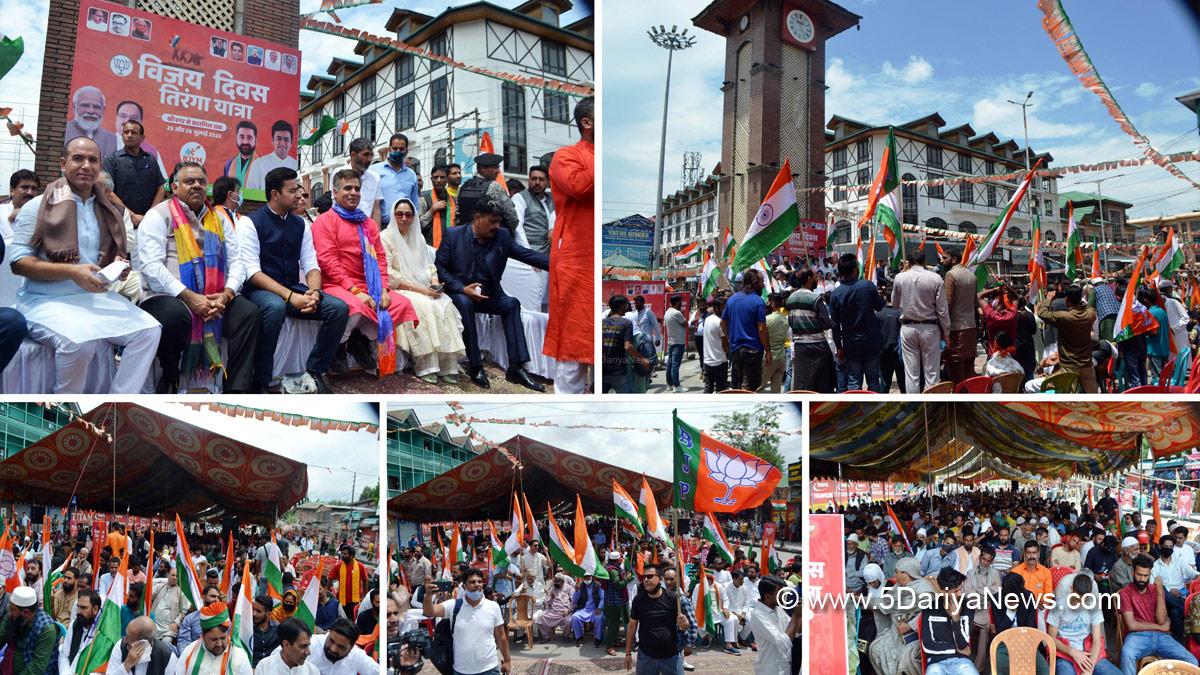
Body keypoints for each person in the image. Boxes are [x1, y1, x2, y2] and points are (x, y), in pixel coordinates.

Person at [10, 136, 161, 393]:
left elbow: (108, 257)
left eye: (93, 160)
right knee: (82, 341)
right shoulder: (38, 206)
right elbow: (18, 262)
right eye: (78, 158)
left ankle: (117, 401)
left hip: (95, 298)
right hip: (45, 300)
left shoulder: (108, 209)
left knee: (149, 331)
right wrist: (71, 271)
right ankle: (67, 403)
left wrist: (116, 268)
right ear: (63, 163)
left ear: (100, 167)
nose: (86, 166)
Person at [137, 162, 260, 393]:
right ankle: (170, 377)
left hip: (215, 296)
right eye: (189, 181)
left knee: (248, 314)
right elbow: (150, 266)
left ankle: (236, 387)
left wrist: (227, 294)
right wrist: (189, 296)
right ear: (174, 187)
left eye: (201, 182)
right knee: (174, 316)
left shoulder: (219, 219)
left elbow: (237, 262)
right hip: (168, 294)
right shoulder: (158, 215)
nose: (196, 186)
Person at [242, 166, 349, 394]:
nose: (299, 195)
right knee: (274, 307)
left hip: (294, 288)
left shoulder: (301, 224)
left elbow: (311, 264)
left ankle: (315, 371)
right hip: (260, 290)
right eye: (292, 190)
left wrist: (314, 292)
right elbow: (252, 271)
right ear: (274, 194)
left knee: (338, 309)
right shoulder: (250, 223)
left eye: (298, 189)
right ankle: (260, 381)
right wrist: (291, 296)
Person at [311, 169, 418, 379]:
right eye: (347, 188)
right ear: (334, 192)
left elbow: (380, 258)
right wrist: (354, 290)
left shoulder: (367, 223)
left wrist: (384, 289)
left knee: (400, 304)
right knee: (357, 306)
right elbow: (327, 261)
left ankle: (359, 339)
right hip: (336, 284)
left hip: (370, 284)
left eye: (357, 189)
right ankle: (340, 347)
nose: (353, 193)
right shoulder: (325, 221)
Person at [435, 197, 549, 391]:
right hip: (462, 292)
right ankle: (475, 365)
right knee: (465, 303)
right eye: (492, 221)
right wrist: (463, 289)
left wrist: (563, 264)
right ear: (478, 218)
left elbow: (528, 255)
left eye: (499, 222)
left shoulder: (502, 236)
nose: (497, 226)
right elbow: (441, 269)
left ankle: (517, 367)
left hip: (490, 295)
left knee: (511, 303)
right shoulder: (454, 235)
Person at [379, 197, 466, 384]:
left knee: (445, 305)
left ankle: (447, 364)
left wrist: (434, 283)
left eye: (408, 215)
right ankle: (426, 365)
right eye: (399, 214)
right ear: (393, 216)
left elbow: (429, 266)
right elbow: (388, 274)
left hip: (424, 287)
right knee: (425, 306)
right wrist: (423, 291)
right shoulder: (385, 237)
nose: (403, 218)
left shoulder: (417, 237)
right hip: (400, 289)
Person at [541, 100, 595, 393]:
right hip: (576, 257)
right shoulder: (566, 156)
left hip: (597, 256)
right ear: (586, 123)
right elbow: (579, 186)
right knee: (574, 340)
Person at [1119, 554, 1199, 674]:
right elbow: (1132, 625)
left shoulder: (1155, 590)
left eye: (1145, 576)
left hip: (1161, 637)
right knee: (1127, 655)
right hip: (1136, 636)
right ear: (1132, 573)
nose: (1142, 579)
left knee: (1191, 661)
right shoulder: (1125, 593)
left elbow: (1162, 620)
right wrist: (1160, 627)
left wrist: (1161, 591)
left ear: (1150, 574)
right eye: (1139, 574)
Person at [423, 569, 510, 675]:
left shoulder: (493, 606)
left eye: (479, 581)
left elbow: (501, 637)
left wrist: (507, 660)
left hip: (489, 668)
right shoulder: (453, 605)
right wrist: (428, 596)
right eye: (472, 582)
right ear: (464, 586)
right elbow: (429, 612)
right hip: (461, 670)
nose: (477, 585)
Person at [892, 248, 949, 393]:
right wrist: (947, 333)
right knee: (932, 374)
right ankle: (932, 409)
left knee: (911, 375)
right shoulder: (935, 278)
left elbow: (895, 304)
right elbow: (942, 310)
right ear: (924, 261)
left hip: (908, 328)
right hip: (930, 329)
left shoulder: (899, 278)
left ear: (909, 262)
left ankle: (915, 409)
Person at [829, 253, 884, 392]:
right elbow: (879, 306)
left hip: (851, 344)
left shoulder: (836, 294)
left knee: (853, 383)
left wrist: (839, 347)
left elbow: (834, 323)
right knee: (873, 381)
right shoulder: (868, 286)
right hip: (871, 341)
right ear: (855, 270)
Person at [625, 564, 690, 675]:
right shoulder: (638, 600)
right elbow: (632, 625)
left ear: (659, 579)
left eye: (650, 576)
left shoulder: (673, 598)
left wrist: (684, 624)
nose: (646, 580)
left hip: (671, 655)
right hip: (646, 656)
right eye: (644, 577)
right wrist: (628, 653)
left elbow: (685, 626)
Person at [1036, 286, 1099, 392]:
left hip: (1069, 365)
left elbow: (1042, 313)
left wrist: (1048, 299)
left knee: (1069, 398)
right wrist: (1081, 300)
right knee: (1093, 395)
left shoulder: (1064, 317)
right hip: (1086, 363)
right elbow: (1089, 307)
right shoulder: (1090, 314)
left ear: (1066, 300)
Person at [103, 119, 165, 225]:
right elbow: (108, 192)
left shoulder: (150, 159)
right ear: (122, 136)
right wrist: (130, 215)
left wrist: (150, 215)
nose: (129, 135)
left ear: (142, 137)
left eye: (134, 132)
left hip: (148, 222)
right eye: (126, 132)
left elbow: (161, 188)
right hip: (120, 221)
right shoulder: (112, 160)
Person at [918, 567, 976, 675]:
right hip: (936, 663)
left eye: (961, 589)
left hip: (962, 661)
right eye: (955, 591)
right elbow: (928, 645)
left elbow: (963, 644)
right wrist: (955, 649)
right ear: (943, 592)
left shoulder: (967, 606)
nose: (960, 594)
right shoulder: (929, 608)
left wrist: (956, 619)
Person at [786, 268, 834, 392]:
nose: (817, 280)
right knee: (822, 384)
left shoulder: (790, 299)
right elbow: (826, 324)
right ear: (808, 279)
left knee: (803, 383)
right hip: (817, 346)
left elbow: (791, 322)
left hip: (799, 347)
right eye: (815, 277)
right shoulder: (815, 298)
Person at [721, 270, 770, 391]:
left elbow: (722, 322)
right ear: (754, 283)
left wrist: (729, 338)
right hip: (753, 351)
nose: (763, 285)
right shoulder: (759, 302)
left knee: (738, 386)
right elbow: (762, 329)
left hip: (736, 351)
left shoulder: (732, 299)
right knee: (750, 388)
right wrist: (768, 350)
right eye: (761, 282)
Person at [179, 602, 252, 675]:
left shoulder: (240, 656)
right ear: (203, 636)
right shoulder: (189, 652)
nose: (219, 644)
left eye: (223, 638)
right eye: (214, 639)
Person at [0, 586, 58, 675]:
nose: (10, 612)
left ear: (26, 612)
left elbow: (37, 667)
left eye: (13, 609)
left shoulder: (46, 629)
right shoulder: (12, 616)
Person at [454, 153, 517, 233]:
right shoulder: (494, 187)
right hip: (491, 239)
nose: (498, 171)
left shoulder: (463, 187)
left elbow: (457, 217)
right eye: (495, 167)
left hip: (467, 238)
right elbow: (513, 219)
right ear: (483, 168)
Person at [370, 133, 420, 229]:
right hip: (382, 227)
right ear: (389, 149)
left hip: (404, 227)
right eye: (395, 148)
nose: (398, 151)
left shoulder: (411, 174)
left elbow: (414, 206)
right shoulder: (374, 170)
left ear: (406, 151)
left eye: (401, 149)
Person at [942, 251, 978, 383]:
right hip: (971, 327)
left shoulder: (951, 275)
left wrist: (943, 327)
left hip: (956, 329)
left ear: (954, 259)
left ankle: (959, 401)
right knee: (969, 368)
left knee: (956, 370)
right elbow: (975, 301)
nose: (942, 260)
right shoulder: (972, 275)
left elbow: (947, 303)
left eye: (945, 258)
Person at [108, 615, 181, 675]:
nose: (125, 640)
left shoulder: (167, 657)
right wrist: (126, 665)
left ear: (144, 643)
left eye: (130, 638)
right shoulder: (120, 646)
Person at [65, 86, 118, 159]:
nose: (91, 111)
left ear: (103, 110)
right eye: (85, 105)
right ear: (74, 107)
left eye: (96, 107)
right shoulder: (63, 130)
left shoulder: (111, 139)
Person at [244, 121, 298, 193]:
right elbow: (251, 192)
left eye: (286, 139)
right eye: (279, 139)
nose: (282, 143)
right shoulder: (258, 164)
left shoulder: (296, 165)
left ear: (291, 143)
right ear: (272, 140)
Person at [255, 617, 319, 675]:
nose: (308, 652)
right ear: (286, 645)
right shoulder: (264, 667)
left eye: (308, 645)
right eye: (303, 646)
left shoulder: (312, 671)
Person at [60, 590, 102, 673]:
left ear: (95, 609)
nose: (78, 611)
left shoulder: (101, 633)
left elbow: (99, 668)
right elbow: (64, 655)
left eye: (83, 608)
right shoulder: (75, 624)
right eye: (78, 607)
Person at [329, 545, 369, 620]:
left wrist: (365, 596)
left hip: (354, 600)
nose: (342, 555)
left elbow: (365, 580)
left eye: (345, 554)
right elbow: (330, 578)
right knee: (340, 620)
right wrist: (328, 592)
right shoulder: (338, 566)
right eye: (342, 553)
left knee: (352, 620)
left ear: (351, 555)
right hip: (340, 599)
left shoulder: (360, 566)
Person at [419, 165, 454, 248]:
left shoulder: (453, 201)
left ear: (447, 179)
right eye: (435, 177)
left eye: (442, 177)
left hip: (451, 246)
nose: (438, 180)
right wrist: (432, 210)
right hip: (429, 247)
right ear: (431, 179)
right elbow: (419, 225)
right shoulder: (423, 199)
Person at [151, 567, 186, 644]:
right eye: (173, 575)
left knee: (165, 643)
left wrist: (176, 623)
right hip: (153, 623)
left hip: (168, 628)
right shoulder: (160, 586)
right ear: (168, 575)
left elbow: (183, 611)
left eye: (176, 576)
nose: (174, 578)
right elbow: (149, 595)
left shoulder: (181, 592)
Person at [702, 295, 728, 393]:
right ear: (716, 308)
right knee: (721, 390)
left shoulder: (707, 319)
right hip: (719, 361)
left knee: (708, 388)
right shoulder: (719, 322)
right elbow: (725, 343)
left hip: (707, 361)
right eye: (723, 308)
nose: (724, 311)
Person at [570, 572, 603, 648]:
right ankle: (579, 638)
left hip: (595, 609)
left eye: (589, 577)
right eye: (585, 577)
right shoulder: (580, 586)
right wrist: (577, 591)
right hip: (583, 609)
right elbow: (574, 600)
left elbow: (602, 598)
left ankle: (598, 638)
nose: (587, 579)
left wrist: (599, 608)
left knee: (599, 617)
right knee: (575, 617)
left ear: (592, 577)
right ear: (583, 578)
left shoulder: (598, 585)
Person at [663, 294, 688, 392]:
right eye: (680, 302)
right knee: (675, 364)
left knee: (670, 363)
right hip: (678, 342)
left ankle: (669, 384)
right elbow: (685, 324)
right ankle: (676, 386)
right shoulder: (677, 313)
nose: (681, 303)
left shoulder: (668, 312)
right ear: (677, 302)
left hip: (671, 341)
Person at [224, 121, 259, 188]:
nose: (245, 141)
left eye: (249, 138)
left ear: (256, 141)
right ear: (237, 139)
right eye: (242, 137)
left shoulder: (262, 164)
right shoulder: (229, 164)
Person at [250, 594, 280, 666]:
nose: (254, 614)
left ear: (269, 614)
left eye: (258, 611)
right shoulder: (248, 628)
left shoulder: (278, 629)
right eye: (253, 609)